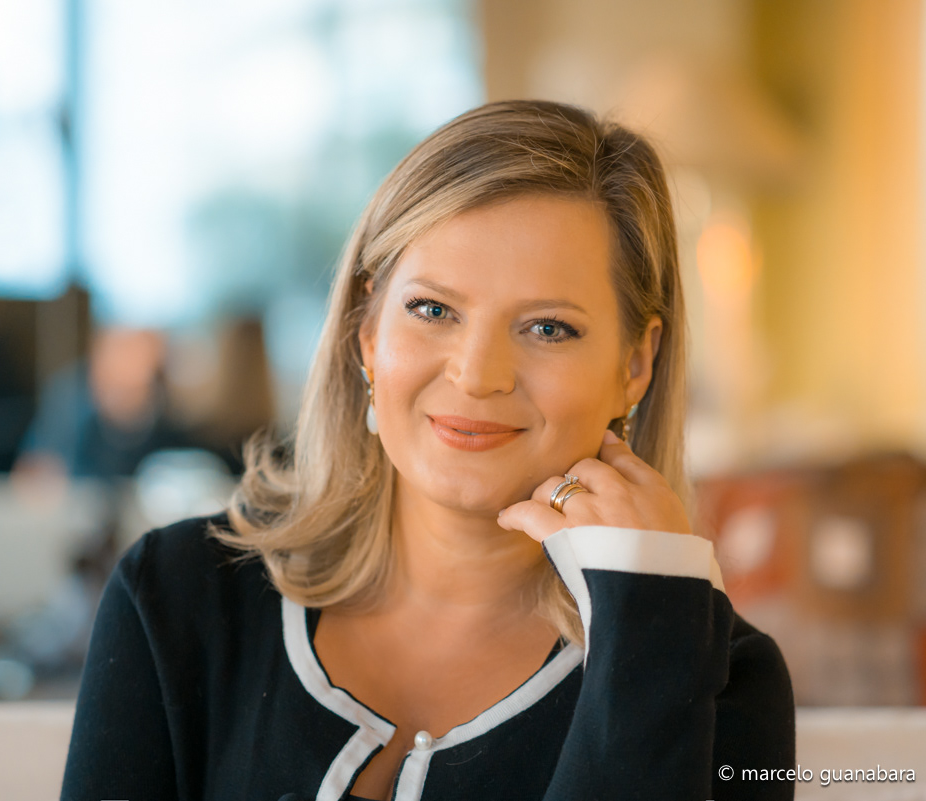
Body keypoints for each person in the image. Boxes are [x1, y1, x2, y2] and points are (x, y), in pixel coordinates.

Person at [59, 100, 796, 801]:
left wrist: (648, 627)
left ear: (635, 363)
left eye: (547, 327)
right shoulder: (176, 598)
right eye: (433, 309)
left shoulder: (719, 673)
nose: (477, 375)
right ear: (368, 330)